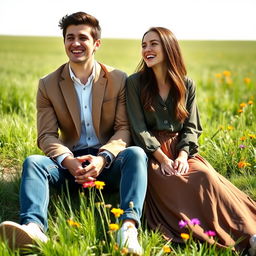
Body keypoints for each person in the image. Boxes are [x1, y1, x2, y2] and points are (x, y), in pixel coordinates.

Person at [0, 12, 147, 255]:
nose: (75, 43)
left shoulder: (118, 79)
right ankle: (34, 228)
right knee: (33, 162)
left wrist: (102, 159)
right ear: (64, 42)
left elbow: (123, 129)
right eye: (70, 37)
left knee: (136, 154)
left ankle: (128, 229)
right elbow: (46, 135)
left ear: (96, 43)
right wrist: (68, 161)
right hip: (69, 165)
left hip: (107, 163)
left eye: (82, 37)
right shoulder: (47, 84)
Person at [126, 26, 256, 255]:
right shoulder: (135, 83)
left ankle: (249, 234)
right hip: (151, 154)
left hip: (180, 150)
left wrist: (183, 155)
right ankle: (222, 235)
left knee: (205, 176)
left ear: (168, 47)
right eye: (144, 45)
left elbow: (192, 127)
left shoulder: (187, 84)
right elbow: (138, 128)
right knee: (172, 181)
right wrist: (163, 159)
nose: (147, 49)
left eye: (153, 44)